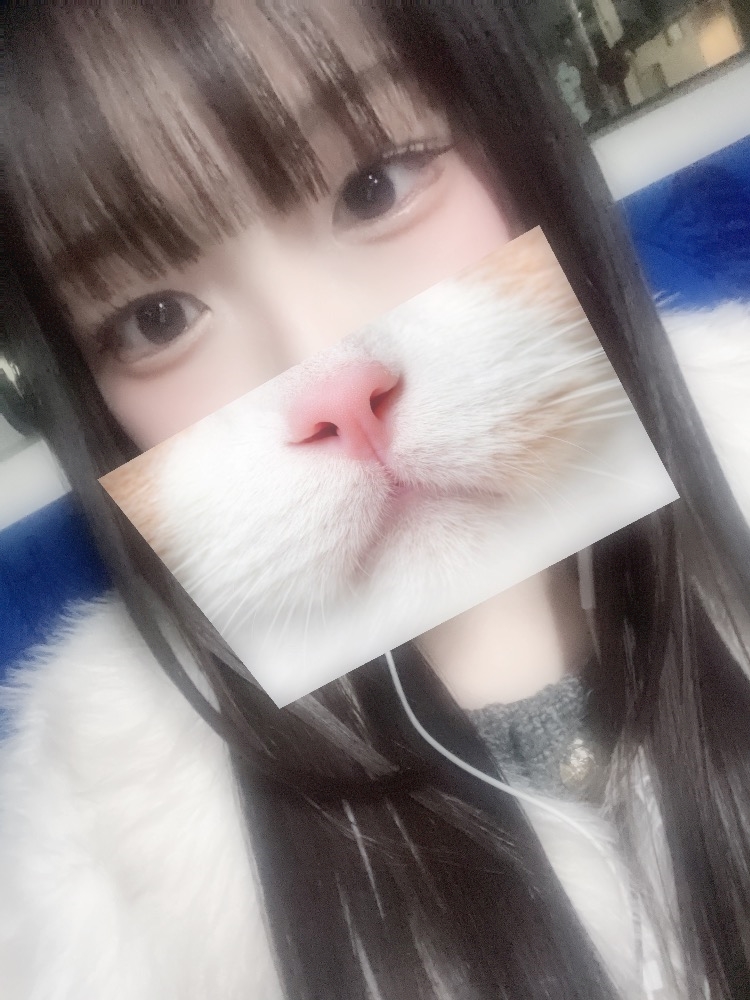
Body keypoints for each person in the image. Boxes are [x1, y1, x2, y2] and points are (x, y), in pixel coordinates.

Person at [1, 3, 749, 999]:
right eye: (157, 318)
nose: (327, 371)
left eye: (376, 184)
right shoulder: (94, 851)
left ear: (513, 141)